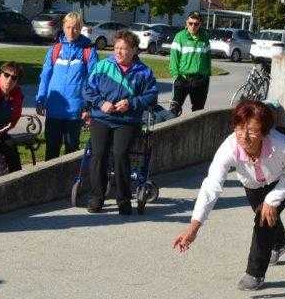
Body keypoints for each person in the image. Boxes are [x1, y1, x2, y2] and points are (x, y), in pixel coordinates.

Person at [172, 100, 285, 291]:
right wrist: (193, 228)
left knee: (263, 219)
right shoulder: (229, 148)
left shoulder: (281, 145)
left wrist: (272, 199)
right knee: (267, 214)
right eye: (240, 128)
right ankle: (280, 243)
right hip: (253, 183)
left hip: (284, 179)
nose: (244, 136)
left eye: (252, 130)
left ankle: (255, 273)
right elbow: (211, 186)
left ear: (264, 132)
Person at [82, 30, 158, 215]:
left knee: (120, 154)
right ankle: (97, 197)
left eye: (123, 48)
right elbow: (87, 89)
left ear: (134, 50)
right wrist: (101, 103)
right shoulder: (102, 66)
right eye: (116, 47)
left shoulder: (144, 72)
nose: (119, 51)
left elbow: (151, 96)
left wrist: (131, 103)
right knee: (98, 154)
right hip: (102, 117)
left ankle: (123, 199)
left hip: (127, 120)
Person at [35, 12, 97, 160]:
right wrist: (40, 98)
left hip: (75, 111)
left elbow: (93, 81)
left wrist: (87, 106)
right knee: (51, 151)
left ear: (80, 28)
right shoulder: (55, 49)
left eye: (75, 28)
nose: (71, 31)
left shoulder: (88, 51)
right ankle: (50, 176)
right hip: (53, 109)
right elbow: (45, 77)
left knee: (71, 151)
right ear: (63, 27)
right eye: (68, 27)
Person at [168, 11, 211, 116]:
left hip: (200, 81)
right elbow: (174, 58)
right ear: (186, 23)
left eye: (196, 24)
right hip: (182, 78)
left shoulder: (205, 37)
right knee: (174, 110)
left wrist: (206, 76)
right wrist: (176, 75)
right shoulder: (180, 37)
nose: (193, 26)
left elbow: (207, 58)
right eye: (190, 23)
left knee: (198, 112)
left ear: (200, 24)